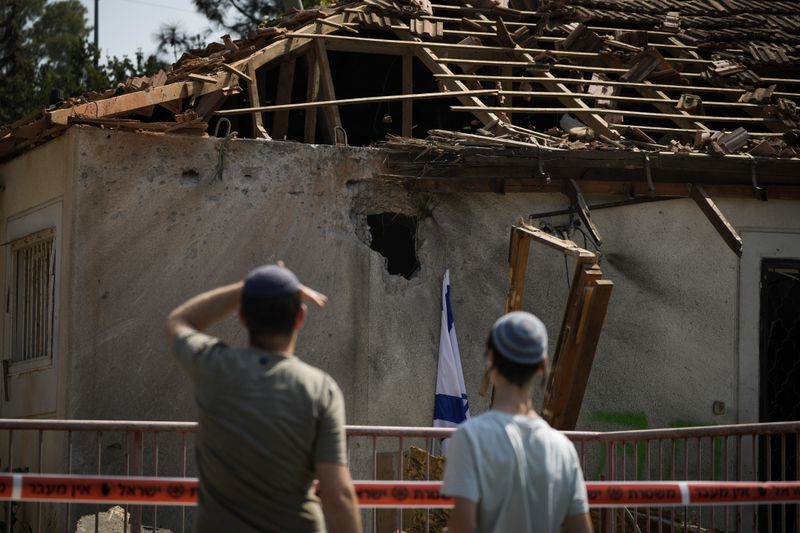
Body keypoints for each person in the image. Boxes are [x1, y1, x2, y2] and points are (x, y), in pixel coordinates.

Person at [164, 264, 361, 533]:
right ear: (300, 318)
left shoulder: (214, 368)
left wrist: (252, 286)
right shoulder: (320, 389)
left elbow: (180, 321)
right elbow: (338, 496)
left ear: (243, 317)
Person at [441, 311, 593, 533]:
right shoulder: (563, 449)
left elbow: (463, 527)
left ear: (491, 360)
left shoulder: (470, 438)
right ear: (542, 367)